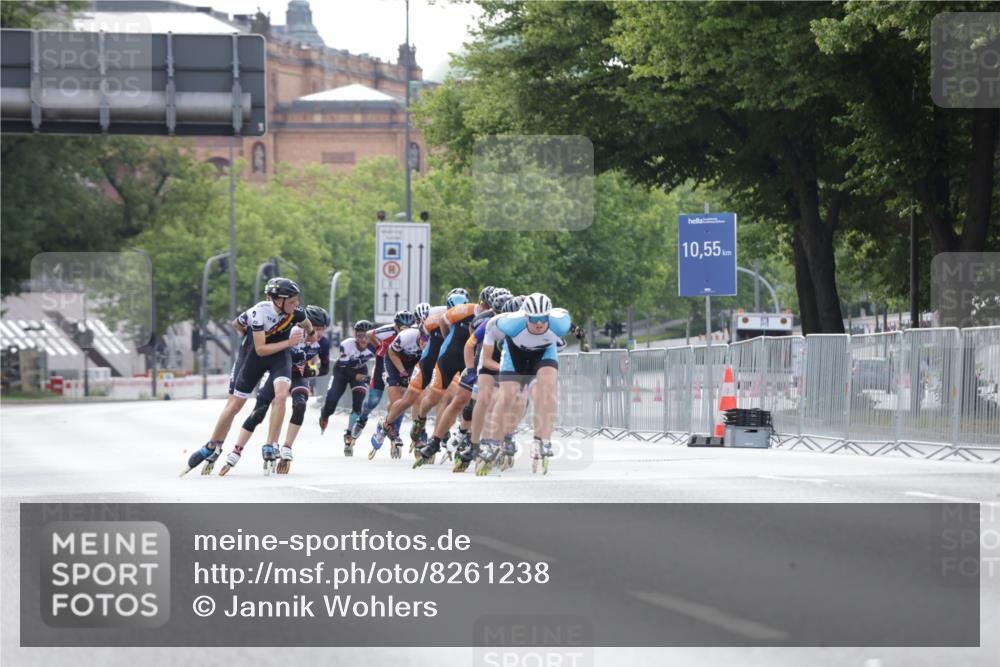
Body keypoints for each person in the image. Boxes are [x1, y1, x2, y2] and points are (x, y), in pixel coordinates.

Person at [182, 278, 310, 476]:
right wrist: (254, 337)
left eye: (296, 300)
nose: (296, 305)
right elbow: (255, 344)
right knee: (235, 405)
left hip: (279, 358)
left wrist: (308, 334)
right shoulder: (259, 312)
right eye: (291, 301)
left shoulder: (296, 312)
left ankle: (270, 444)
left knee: (281, 396)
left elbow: (307, 326)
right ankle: (212, 444)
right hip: (255, 357)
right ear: (277, 301)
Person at [222, 305, 330, 475]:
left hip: (298, 376)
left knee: (300, 404)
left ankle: (287, 447)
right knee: (259, 412)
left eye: (322, 330)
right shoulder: (292, 333)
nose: (318, 334)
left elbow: (324, 368)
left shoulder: (323, 343)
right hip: (279, 373)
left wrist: (312, 370)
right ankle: (237, 450)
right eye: (315, 329)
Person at [477, 293, 571, 476]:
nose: (539, 323)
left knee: (547, 391)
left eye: (543, 318)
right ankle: (492, 443)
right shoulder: (509, 323)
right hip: (515, 354)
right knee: (507, 397)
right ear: (526, 316)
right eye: (534, 319)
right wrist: (488, 349)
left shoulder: (560, 323)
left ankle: (542, 440)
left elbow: (565, 322)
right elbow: (489, 330)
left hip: (544, 352)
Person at [371, 289, 466, 452]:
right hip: (426, 360)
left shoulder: (468, 318)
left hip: (444, 361)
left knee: (449, 395)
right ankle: (386, 424)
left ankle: (439, 436)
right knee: (410, 398)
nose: (457, 316)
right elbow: (422, 340)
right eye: (453, 312)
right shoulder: (433, 317)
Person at [319, 319, 377, 456]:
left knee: (358, 402)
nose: (363, 339)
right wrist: (360, 377)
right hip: (342, 372)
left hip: (360, 370)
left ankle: (349, 434)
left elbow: (382, 362)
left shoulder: (374, 346)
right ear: (354, 335)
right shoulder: (347, 345)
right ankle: (325, 414)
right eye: (359, 335)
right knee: (332, 403)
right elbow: (345, 370)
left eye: (366, 336)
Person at [368, 321, 425, 459]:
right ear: (419, 335)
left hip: (413, 362)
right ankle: (386, 425)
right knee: (398, 401)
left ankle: (418, 434)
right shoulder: (406, 336)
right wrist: (403, 373)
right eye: (423, 340)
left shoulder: (433, 343)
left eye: (428, 341)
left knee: (418, 398)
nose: (425, 344)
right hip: (394, 361)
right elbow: (392, 354)